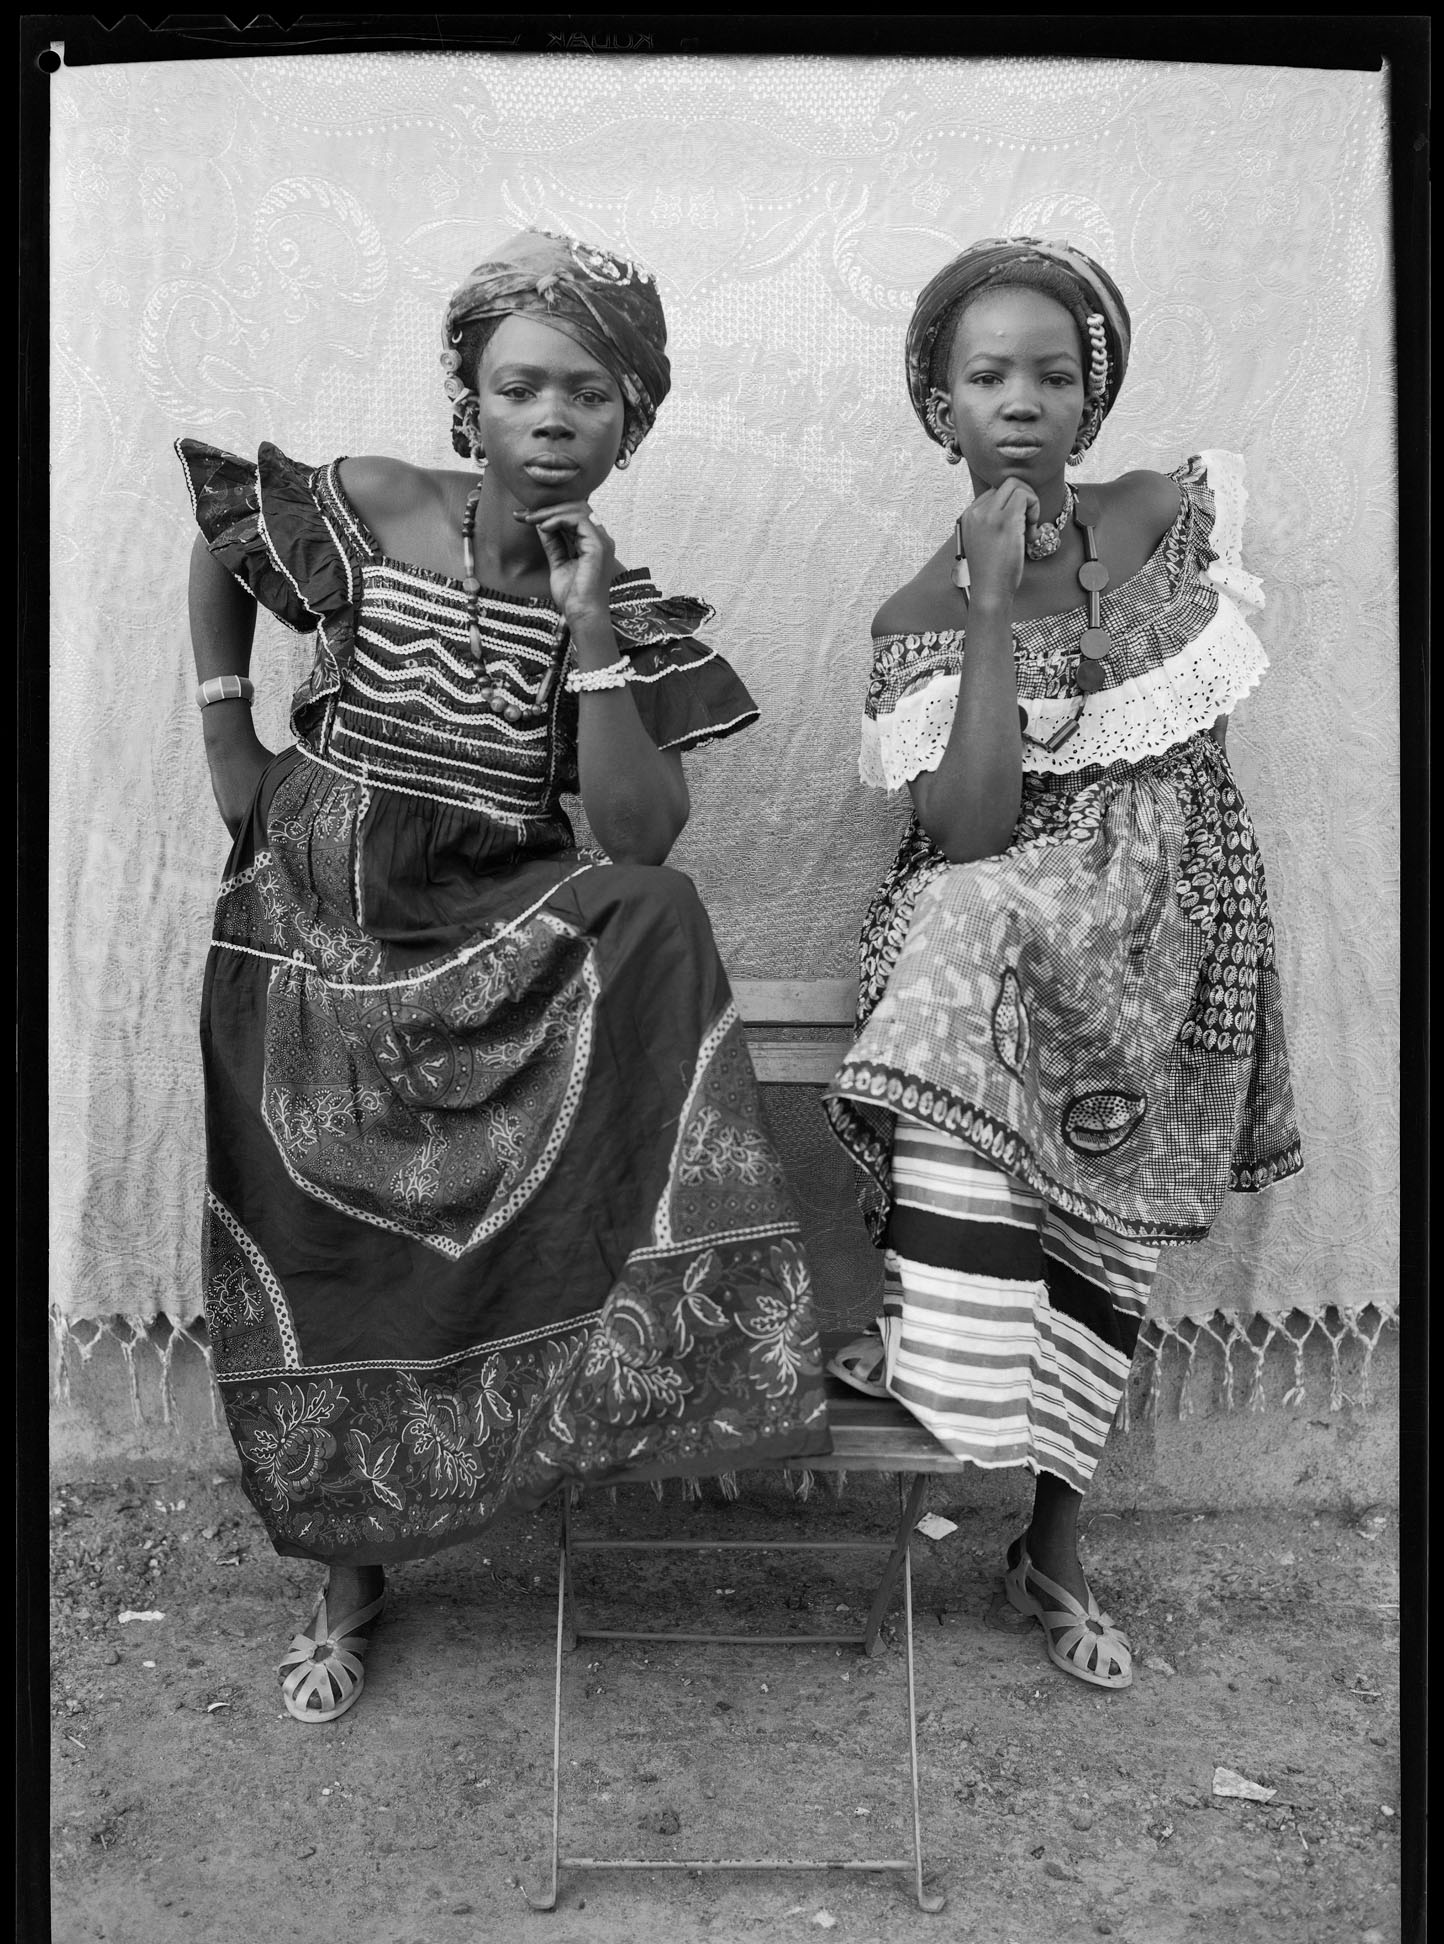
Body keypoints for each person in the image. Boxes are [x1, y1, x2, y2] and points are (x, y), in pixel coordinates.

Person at [177, 229, 827, 1722]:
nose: (552, 419)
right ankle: (345, 1574)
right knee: (326, 1245)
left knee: (657, 915)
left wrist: (590, 630)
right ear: (467, 400)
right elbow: (222, 545)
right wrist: (228, 731)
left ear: (632, 421)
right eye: (521, 387)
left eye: (590, 395)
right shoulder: (371, 501)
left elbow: (642, 838)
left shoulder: (617, 601)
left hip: (490, 930)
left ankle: (613, 1401)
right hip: (314, 929)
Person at [823, 236, 1301, 1690]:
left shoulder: (1165, 518)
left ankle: (1054, 1543)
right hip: (1000, 926)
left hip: (1166, 925)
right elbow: (969, 831)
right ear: (941, 408)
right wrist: (986, 601)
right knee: (971, 928)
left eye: (1051, 374)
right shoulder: (919, 614)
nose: (1021, 401)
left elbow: (1188, 765)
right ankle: (940, 1342)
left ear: (1092, 400)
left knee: (1108, 1223)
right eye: (988, 377)